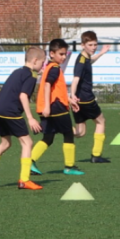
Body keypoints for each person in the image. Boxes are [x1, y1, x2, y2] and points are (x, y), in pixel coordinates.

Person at [0, 47, 46, 190]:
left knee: (5, 143)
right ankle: (24, 180)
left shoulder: (17, 72)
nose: (43, 65)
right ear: (35, 60)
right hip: (11, 112)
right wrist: (30, 118)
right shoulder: (31, 76)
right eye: (42, 62)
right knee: (28, 143)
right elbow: (23, 96)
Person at [30, 38, 84, 176]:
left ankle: (30, 161)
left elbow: (56, 90)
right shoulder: (54, 68)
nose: (64, 57)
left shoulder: (49, 67)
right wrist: (48, 107)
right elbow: (48, 85)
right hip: (56, 107)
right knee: (68, 133)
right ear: (52, 54)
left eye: (65, 54)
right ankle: (69, 166)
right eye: (61, 54)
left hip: (49, 106)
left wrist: (69, 100)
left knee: (48, 137)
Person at [71, 30, 111, 163]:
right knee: (101, 121)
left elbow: (90, 61)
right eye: (90, 45)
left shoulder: (84, 57)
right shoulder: (81, 61)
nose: (93, 47)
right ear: (83, 45)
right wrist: (72, 96)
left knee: (80, 132)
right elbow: (75, 79)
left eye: (95, 44)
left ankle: (58, 128)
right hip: (86, 99)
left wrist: (101, 53)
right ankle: (96, 155)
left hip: (79, 100)